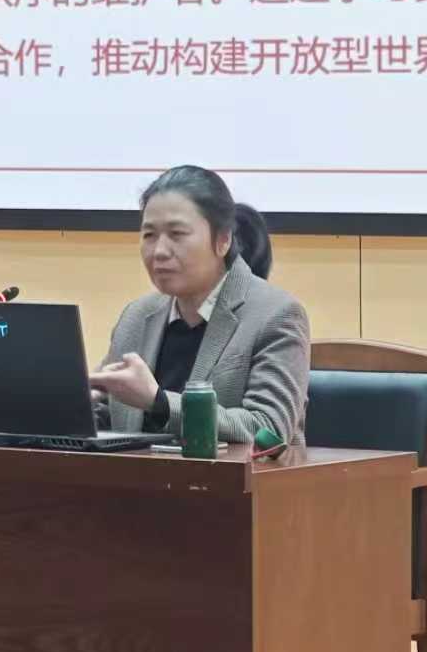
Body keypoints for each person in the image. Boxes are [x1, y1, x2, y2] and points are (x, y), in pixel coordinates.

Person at [90, 166, 311, 446]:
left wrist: (160, 403)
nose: (159, 251)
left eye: (177, 234)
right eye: (149, 235)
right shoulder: (136, 316)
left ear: (223, 240)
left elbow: (269, 430)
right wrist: (73, 407)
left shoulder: (276, 315)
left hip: (233, 476)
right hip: (140, 474)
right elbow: (109, 416)